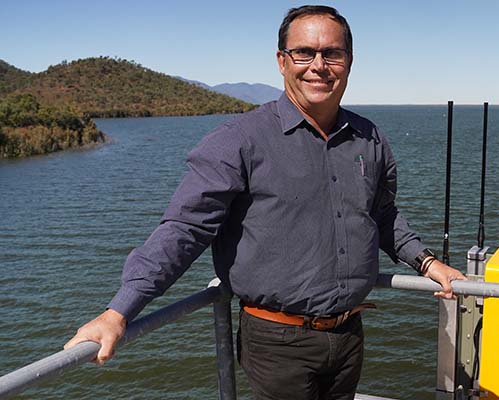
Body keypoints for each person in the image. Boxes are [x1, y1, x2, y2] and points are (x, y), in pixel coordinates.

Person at [65, 5, 466, 399]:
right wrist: (118, 312)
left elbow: (380, 214)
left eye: (333, 53)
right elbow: (185, 229)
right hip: (277, 342)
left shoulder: (368, 136)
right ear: (281, 60)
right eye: (304, 52)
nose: (319, 65)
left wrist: (428, 262)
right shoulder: (239, 139)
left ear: (349, 61)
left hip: (349, 336)